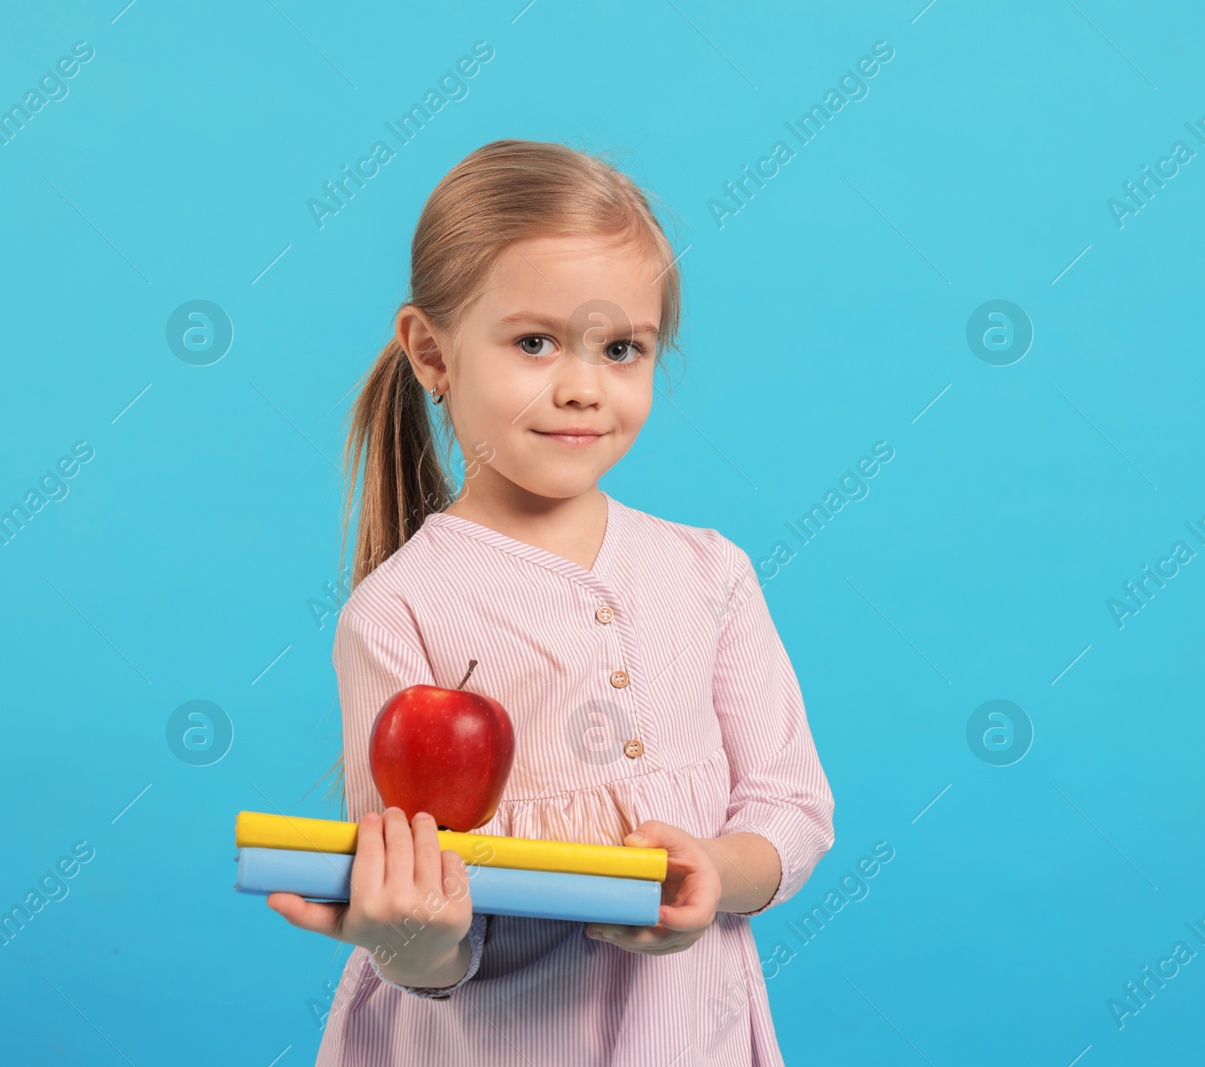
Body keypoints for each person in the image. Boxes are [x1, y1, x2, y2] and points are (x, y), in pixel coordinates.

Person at [264, 139, 835, 1066]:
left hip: (689, 1037)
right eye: (535, 341)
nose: (581, 385)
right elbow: (424, 934)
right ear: (431, 352)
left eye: (621, 349)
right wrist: (410, 934)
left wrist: (714, 873)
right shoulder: (400, 612)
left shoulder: (711, 573)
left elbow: (791, 805)